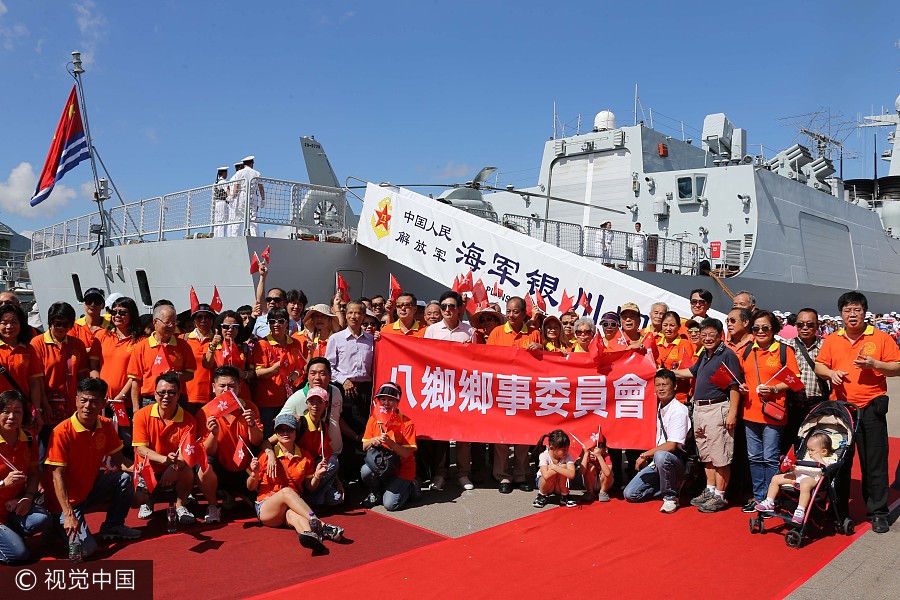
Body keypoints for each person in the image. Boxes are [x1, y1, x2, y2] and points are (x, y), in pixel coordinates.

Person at [815, 291, 900, 534]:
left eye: (857, 310)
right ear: (841, 314)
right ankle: (839, 510)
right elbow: (820, 365)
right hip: (842, 411)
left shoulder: (881, 337)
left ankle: (878, 512)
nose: (852, 315)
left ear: (865, 312)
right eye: (847, 310)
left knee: (874, 462)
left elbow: (897, 367)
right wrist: (831, 373)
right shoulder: (833, 339)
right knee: (839, 462)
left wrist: (875, 365)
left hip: (871, 408)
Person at [44, 378, 143, 558]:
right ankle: (56, 524)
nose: (88, 406)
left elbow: (120, 460)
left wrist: (141, 471)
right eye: (84, 400)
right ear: (76, 400)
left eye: (94, 401)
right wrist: (68, 514)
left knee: (124, 478)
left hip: (89, 490)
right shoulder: (61, 432)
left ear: (103, 403)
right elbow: (57, 476)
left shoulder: (105, 425)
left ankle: (113, 526)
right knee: (85, 550)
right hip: (64, 502)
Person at [673, 318, 742, 513]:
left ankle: (720, 495)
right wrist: (669, 373)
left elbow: (734, 386)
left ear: (720, 336)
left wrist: (732, 414)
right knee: (706, 454)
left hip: (717, 408)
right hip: (700, 410)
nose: (707, 338)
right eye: (703, 335)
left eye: (712, 335)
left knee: (720, 455)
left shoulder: (727, 355)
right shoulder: (705, 353)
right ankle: (710, 489)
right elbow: (691, 372)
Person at [247, 413, 343, 552]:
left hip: (290, 507)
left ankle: (313, 537)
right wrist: (254, 474)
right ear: (276, 433)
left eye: (290, 429)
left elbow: (310, 488)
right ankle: (320, 524)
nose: (285, 433)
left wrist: (317, 475)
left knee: (294, 517)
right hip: (267, 507)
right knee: (286, 492)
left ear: (296, 432)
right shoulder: (266, 455)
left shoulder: (305, 457)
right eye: (281, 430)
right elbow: (250, 487)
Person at [737, 310, 802, 513]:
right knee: (754, 458)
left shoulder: (784, 351)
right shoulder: (748, 351)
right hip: (750, 412)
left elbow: (795, 381)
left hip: (774, 413)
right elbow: (741, 376)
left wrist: (774, 389)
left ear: (773, 329)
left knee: (770, 458)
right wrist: (741, 387)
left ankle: (771, 499)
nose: (760, 331)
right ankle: (759, 498)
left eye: (765, 327)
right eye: (756, 328)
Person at [132, 372, 204, 525]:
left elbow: (186, 453)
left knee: (187, 471)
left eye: (171, 392)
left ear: (178, 395)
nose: (166, 396)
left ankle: (180, 505)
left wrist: (174, 466)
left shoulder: (189, 420)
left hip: (174, 467)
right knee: (136, 500)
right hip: (148, 468)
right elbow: (141, 449)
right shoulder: (141, 415)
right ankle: (148, 501)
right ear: (154, 394)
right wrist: (165, 460)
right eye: (162, 392)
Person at [422, 290, 475, 491]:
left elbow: (475, 362)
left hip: (463, 388)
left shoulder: (470, 331)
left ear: (459, 309)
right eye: (443, 306)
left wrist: (469, 350)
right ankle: (440, 473)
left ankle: (462, 473)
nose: (446, 310)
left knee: (463, 434)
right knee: (440, 434)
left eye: (451, 306)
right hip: (439, 386)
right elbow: (424, 358)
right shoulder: (432, 331)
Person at [489, 297, 542, 493]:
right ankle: (503, 476)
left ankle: (521, 475)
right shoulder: (497, 332)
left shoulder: (534, 333)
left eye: (515, 311)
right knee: (501, 437)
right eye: (508, 311)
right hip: (501, 390)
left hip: (525, 391)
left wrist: (540, 349)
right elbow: (486, 360)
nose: (511, 315)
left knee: (523, 436)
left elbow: (543, 364)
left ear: (523, 313)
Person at [196, 366, 263, 519]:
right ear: (214, 387)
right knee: (204, 465)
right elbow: (207, 452)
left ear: (239, 388)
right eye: (222, 385)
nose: (227, 390)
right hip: (219, 469)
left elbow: (258, 441)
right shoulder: (205, 412)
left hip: (244, 468)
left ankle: (233, 493)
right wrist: (213, 434)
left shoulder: (249, 408)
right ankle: (213, 505)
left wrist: (252, 425)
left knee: (261, 510)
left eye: (231, 386)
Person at [623, 369, 692, 513]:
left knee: (661, 455)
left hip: (675, 461)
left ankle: (670, 497)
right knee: (630, 494)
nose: (661, 388)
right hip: (657, 463)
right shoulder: (657, 406)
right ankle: (671, 485)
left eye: (665, 385)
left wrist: (645, 455)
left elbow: (672, 445)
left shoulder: (678, 411)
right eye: (658, 385)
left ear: (675, 386)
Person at [30, 302, 91, 453]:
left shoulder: (77, 344)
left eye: (66, 324)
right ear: (50, 322)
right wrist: (43, 406)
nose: (61, 328)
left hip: (71, 409)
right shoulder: (37, 343)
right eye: (57, 323)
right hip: (47, 409)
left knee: (70, 451)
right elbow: (37, 380)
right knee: (46, 451)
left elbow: (82, 377)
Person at [0, 390, 50, 564]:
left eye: (17, 411)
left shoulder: (28, 438)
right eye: (5, 411)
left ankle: (9, 533)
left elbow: (34, 473)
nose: (11, 417)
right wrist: (3, 483)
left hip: (13, 506)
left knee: (42, 519)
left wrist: (28, 497)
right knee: (18, 555)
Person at [325, 301, 375, 462]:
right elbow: (329, 367)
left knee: (363, 427)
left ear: (364, 316)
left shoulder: (372, 340)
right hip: (343, 389)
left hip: (365, 390)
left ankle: (363, 466)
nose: (354, 316)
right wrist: (344, 380)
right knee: (343, 427)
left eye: (358, 313)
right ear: (345, 316)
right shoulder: (336, 338)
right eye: (350, 313)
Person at [360, 382, 420, 510]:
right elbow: (364, 446)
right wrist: (374, 440)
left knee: (390, 505)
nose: (386, 403)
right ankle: (376, 493)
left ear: (397, 402)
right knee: (365, 471)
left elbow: (406, 454)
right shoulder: (373, 419)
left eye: (391, 400)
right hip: (382, 465)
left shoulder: (407, 423)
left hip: (402, 470)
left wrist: (391, 443)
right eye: (383, 399)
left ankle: (411, 486)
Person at [755, 432, 838, 524]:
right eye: (808, 450)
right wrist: (793, 467)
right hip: (798, 475)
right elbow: (799, 467)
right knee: (776, 478)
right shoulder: (807, 457)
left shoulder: (830, 459)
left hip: (813, 478)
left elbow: (828, 470)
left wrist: (819, 460)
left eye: (812, 450)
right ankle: (769, 501)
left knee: (805, 484)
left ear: (824, 451)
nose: (809, 452)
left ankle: (800, 510)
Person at [127, 304, 196, 410]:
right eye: (167, 322)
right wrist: (136, 409)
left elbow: (190, 374)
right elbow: (135, 381)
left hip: (176, 400)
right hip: (150, 401)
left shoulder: (183, 346)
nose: (172, 326)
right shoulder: (141, 347)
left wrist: (177, 376)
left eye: (174, 322)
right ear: (155, 322)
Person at [252, 307, 307, 438]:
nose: (276, 324)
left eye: (280, 321)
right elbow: (257, 373)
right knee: (268, 436)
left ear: (287, 323)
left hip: (290, 400)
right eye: (272, 321)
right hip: (268, 402)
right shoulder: (262, 344)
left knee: (288, 436)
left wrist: (297, 373)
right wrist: (275, 368)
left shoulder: (295, 343)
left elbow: (301, 367)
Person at [96, 296, 143, 445]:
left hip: (125, 403)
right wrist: (99, 391)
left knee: (126, 441)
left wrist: (121, 395)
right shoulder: (102, 335)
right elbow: (93, 365)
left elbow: (137, 374)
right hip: (103, 401)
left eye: (122, 312)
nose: (117, 315)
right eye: (114, 312)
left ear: (132, 315)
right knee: (102, 440)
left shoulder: (140, 341)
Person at [785, 308, 831, 446]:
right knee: (791, 443)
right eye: (800, 324)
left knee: (815, 444)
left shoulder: (826, 346)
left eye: (810, 324)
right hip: (792, 404)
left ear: (818, 325)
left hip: (817, 404)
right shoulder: (787, 346)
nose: (805, 328)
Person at [0, 304, 46, 433]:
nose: (9, 326)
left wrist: (37, 411)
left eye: (14, 322)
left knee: (23, 442)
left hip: (21, 410)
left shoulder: (28, 349)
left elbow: (34, 383)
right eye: (4, 323)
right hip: (1, 410)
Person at [205, 309, 253, 405]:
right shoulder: (213, 346)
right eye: (226, 327)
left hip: (242, 395)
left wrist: (243, 374)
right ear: (219, 328)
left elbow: (253, 372)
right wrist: (213, 346)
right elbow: (207, 365)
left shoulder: (243, 348)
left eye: (234, 327)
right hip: (220, 395)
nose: (230, 330)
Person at [182, 303, 217, 414]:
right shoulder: (183, 339)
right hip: (187, 395)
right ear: (194, 320)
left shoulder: (218, 340)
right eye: (199, 317)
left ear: (212, 320)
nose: (203, 320)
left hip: (211, 395)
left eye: (207, 317)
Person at [655, 310, 695, 402]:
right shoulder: (655, 342)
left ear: (679, 327)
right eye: (665, 325)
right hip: (657, 396)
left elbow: (688, 371)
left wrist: (666, 373)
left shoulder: (684, 344)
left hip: (678, 396)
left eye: (672, 325)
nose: (668, 328)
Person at [530, 430, 577, 508]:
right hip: (546, 485)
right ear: (552, 448)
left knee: (564, 471)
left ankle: (565, 495)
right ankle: (541, 495)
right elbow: (546, 475)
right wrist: (562, 468)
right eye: (563, 449)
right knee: (560, 471)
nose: (566, 451)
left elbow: (572, 474)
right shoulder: (543, 455)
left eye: (567, 448)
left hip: (559, 485)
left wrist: (554, 467)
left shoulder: (568, 456)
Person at [228, 155, 264, 237]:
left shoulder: (239, 173)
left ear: (243, 164)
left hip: (242, 195)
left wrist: (232, 197)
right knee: (253, 218)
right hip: (253, 195)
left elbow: (236, 187)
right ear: (251, 163)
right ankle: (255, 236)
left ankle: (235, 236)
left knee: (238, 217)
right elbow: (261, 188)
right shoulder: (257, 173)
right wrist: (263, 199)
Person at [252, 264, 288, 338]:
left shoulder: (292, 322)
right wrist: (262, 277)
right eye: (269, 299)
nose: (272, 302)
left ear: (284, 302)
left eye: (276, 300)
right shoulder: (259, 320)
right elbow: (259, 300)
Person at [581, 430, 614, 503]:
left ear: (604, 449)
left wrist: (599, 457)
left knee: (606, 469)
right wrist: (585, 454)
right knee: (590, 466)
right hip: (591, 482)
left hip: (604, 482)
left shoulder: (606, 456)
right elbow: (582, 472)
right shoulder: (587, 456)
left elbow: (608, 473)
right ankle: (590, 492)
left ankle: (603, 492)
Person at [212, 166, 230, 238]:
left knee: (217, 222)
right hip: (222, 203)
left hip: (216, 203)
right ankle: (221, 237)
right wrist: (231, 198)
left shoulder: (215, 183)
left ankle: (216, 237)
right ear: (224, 173)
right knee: (223, 221)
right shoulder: (224, 182)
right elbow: (227, 191)